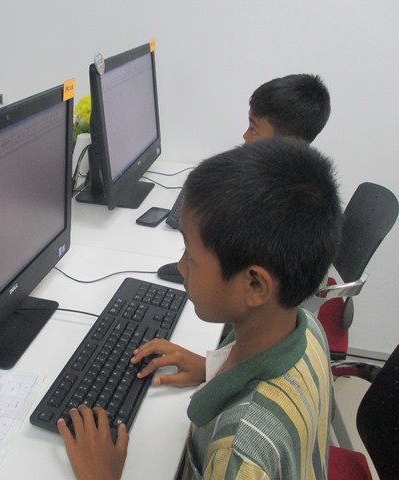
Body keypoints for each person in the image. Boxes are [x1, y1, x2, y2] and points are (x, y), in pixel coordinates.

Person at [58, 137, 343, 479]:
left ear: (254, 285)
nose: (180, 267)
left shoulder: (238, 458)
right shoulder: (308, 329)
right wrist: (212, 368)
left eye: (190, 256)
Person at [158, 73, 331, 283]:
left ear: (289, 141)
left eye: (253, 129)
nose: (245, 137)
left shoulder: (282, 208)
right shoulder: (295, 181)